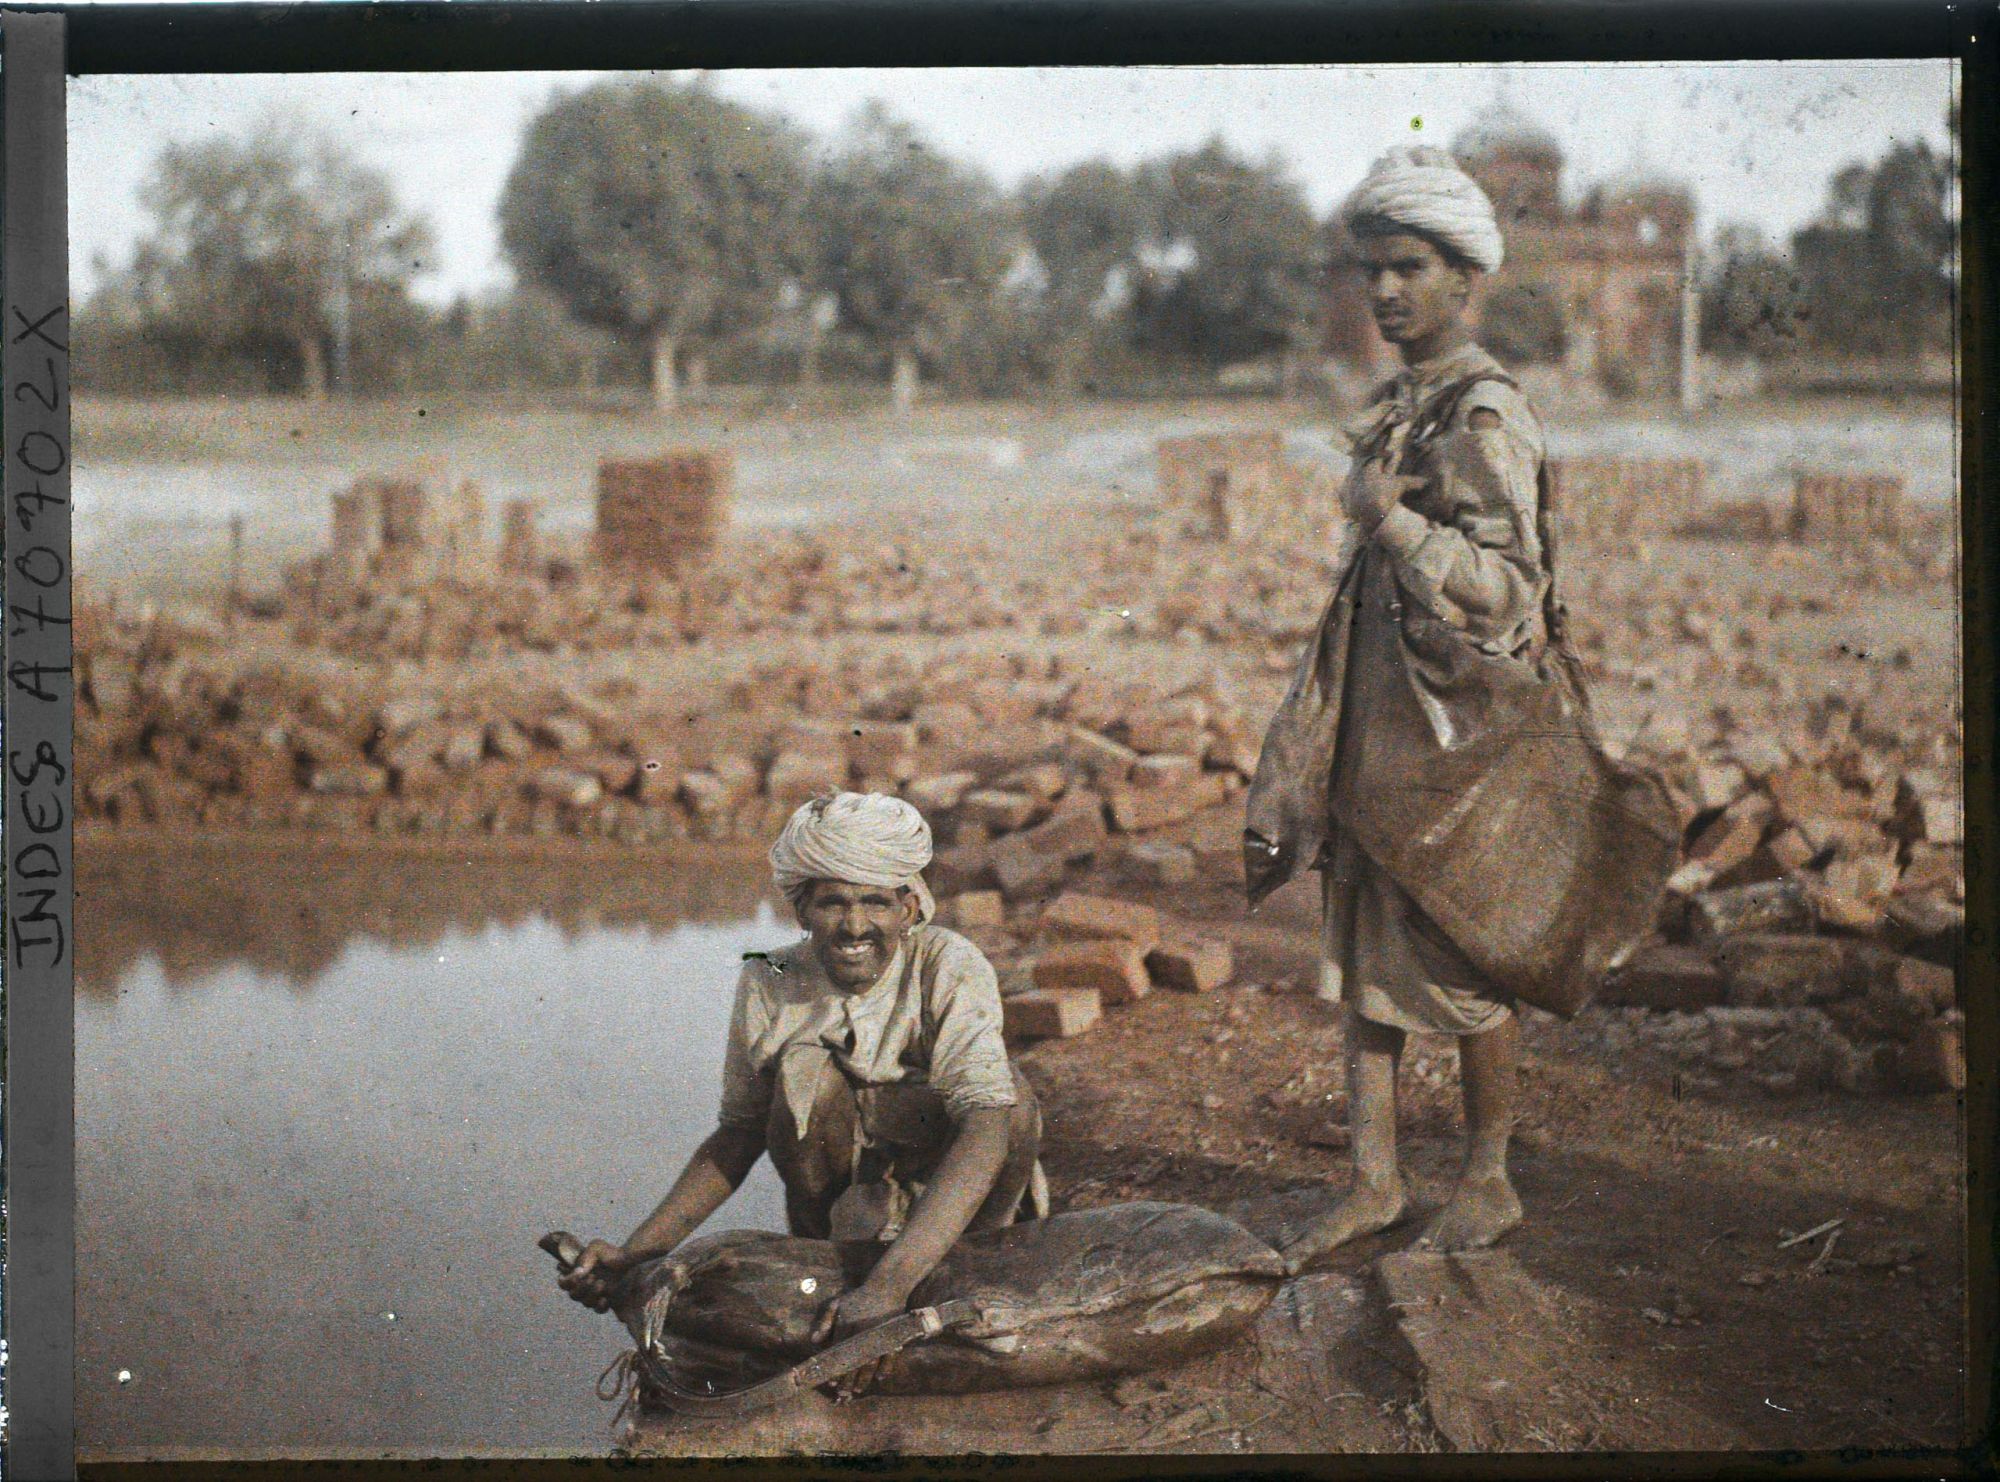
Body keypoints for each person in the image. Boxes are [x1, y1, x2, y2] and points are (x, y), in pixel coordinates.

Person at [1248, 145, 1552, 1271]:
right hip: (1381, 724)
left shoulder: (1481, 412)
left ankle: (1487, 1177)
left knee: (1466, 955)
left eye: (1408, 268)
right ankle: (1374, 1179)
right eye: (1370, 268)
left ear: (1464, 278)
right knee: (1363, 941)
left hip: (1461, 735)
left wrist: (1394, 524)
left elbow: (1509, 590)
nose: (1383, 291)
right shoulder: (1403, 402)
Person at [557, 791, 1043, 1363]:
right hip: (841, 1210)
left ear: (909, 909)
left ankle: (961, 1259)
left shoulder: (946, 963)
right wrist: (638, 1253)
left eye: (876, 903)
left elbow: (987, 1119)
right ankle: (829, 1262)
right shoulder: (770, 975)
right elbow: (738, 1134)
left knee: (1008, 1096)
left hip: (955, 1206)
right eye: (833, 904)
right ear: (801, 910)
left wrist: (891, 1287)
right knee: (802, 1068)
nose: (854, 926)